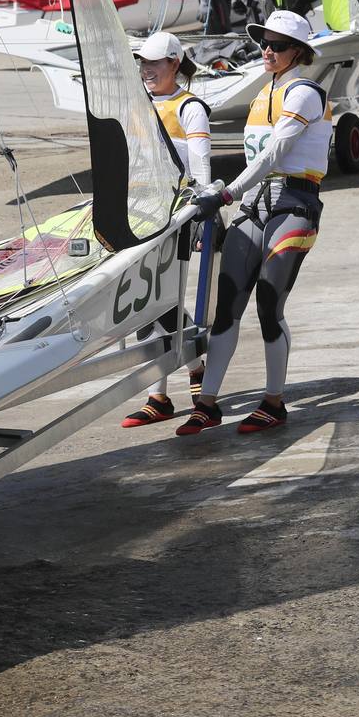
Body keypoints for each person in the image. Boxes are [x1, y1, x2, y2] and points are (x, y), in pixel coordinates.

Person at [177, 10, 331, 435]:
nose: (267, 50)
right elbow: (252, 159)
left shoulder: (304, 92)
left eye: (277, 45)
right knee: (226, 305)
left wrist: (225, 193)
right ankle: (207, 404)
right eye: (264, 42)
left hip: (295, 203)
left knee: (268, 302)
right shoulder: (265, 91)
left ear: (298, 52)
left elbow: (274, 156)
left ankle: (274, 402)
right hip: (254, 204)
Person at [120, 31, 212, 427]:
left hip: (175, 216)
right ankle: (159, 395)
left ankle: (193, 366)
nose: (146, 70)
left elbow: (202, 169)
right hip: (136, 214)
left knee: (163, 300)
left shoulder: (190, 108)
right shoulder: (136, 105)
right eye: (142, 63)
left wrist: (201, 214)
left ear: (175, 62)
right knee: (141, 303)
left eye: (154, 63)